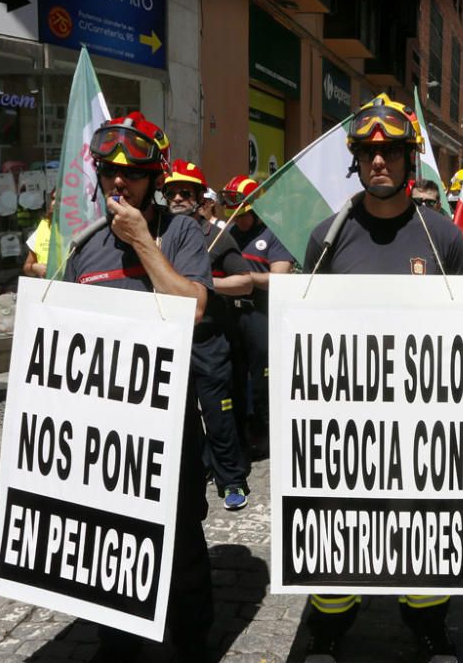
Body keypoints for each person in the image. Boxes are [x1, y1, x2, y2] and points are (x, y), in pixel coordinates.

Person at [301, 94, 463, 663]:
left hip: (423, 424)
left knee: (424, 535)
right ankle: (327, 630)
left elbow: (460, 331)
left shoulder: (443, 237)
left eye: (391, 151)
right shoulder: (327, 236)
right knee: (337, 535)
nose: (379, 162)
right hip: (345, 421)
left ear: (409, 159)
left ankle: (426, 624)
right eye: (369, 152)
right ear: (356, 160)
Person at [67, 112, 213, 663]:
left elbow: (195, 306)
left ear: (155, 178)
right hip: (106, 433)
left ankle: (193, 638)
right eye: (108, 175)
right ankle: (119, 638)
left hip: (170, 428)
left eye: (131, 175)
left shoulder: (181, 231)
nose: (118, 185)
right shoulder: (85, 247)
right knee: (110, 537)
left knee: (181, 544)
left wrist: (144, 244)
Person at [164, 160, 253, 510]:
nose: (178, 197)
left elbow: (245, 281)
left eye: (187, 192)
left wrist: (201, 284)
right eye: (172, 191)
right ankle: (195, 470)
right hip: (171, 339)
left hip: (209, 340)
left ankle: (232, 479)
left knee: (217, 413)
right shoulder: (160, 232)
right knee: (178, 416)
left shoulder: (217, 234)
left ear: (200, 197)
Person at [224, 175, 295, 459]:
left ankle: (266, 434)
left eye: (244, 215)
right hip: (232, 314)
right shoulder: (228, 233)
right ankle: (241, 433)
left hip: (261, 315)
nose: (239, 221)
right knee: (235, 376)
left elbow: (280, 277)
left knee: (263, 378)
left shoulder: (274, 235)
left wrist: (245, 279)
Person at [23, 188, 55, 278]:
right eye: (53, 198)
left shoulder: (77, 230)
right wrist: (34, 267)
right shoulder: (43, 227)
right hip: (47, 287)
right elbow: (26, 268)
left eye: (60, 199)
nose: (54, 203)